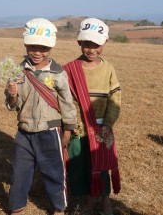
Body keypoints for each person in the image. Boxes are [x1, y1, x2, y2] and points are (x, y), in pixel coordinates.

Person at [5, 18, 77, 215]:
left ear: (50, 47)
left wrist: (69, 130)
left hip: (50, 129)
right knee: (20, 172)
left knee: (54, 172)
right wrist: (12, 94)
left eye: (43, 47)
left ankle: (59, 208)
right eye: (32, 46)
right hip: (24, 130)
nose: (37, 52)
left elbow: (67, 103)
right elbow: (12, 105)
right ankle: (16, 207)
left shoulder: (58, 73)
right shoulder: (17, 71)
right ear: (26, 45)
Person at [63, 18, 121, 215]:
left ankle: (105, 202)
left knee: (102, 166)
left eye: (96, 44)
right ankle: (88, 202)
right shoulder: (69, 69)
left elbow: (115, 98)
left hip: (101, 128)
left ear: (104, 43)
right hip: (78, 128)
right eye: (87, 44)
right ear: (79, 42)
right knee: (81, 166)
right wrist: (72, 124)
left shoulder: (109, 69)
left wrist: (107, 124)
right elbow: (65, 99)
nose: (91, 49)